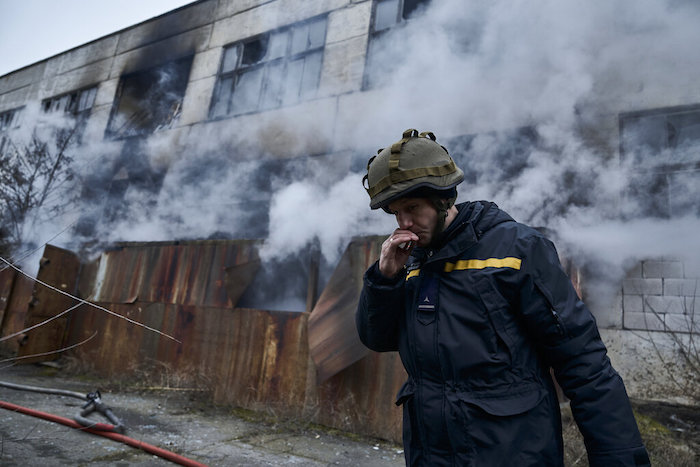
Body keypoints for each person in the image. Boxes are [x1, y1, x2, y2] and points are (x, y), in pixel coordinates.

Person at [356, 129, 650, 466]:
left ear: (444, 198)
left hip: (511, 453)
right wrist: (384, 278)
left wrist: (619, 459)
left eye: (412, 207)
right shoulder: (411, 260)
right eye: (395, 212)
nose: (404, 222)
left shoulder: (517, 251)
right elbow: (376, 338)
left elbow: (583, 363)